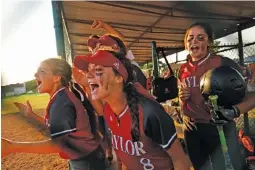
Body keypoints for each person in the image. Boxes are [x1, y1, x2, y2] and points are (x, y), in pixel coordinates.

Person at [73, 35, 192, 170]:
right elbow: (119, 152)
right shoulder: (109, 108)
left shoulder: (149, 113)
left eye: (98, 70)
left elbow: (180, 160)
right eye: (89, 70)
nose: (88, 75)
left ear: (119, 78)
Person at [1, 58, 106, 170]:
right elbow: (57, 127)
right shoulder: (61, 97)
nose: (35, 74)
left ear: (57, 78)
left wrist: (12, 146)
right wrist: (32, 115)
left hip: (86, 162)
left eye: (42, 71)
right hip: (87, 157)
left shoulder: (62, 102)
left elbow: (59, 144)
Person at [178, 22, 247, 170]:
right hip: (192, 129)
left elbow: (249, 93)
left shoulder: (222, 63)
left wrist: (233, 110)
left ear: (209, 42)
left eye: (200, 38)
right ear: (185, 43)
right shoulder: (183, 69)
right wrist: (184, 111)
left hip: (218, 128)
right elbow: (182, 97)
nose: (194, 41)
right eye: (190, 38)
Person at [90, 20, 147, 89]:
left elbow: (120, 39)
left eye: (98, 44)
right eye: (93, 47)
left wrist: (103, 25)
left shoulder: (116, 50)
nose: (97, 47)